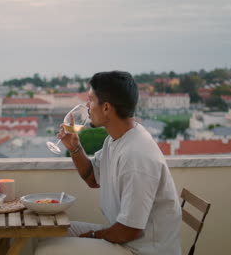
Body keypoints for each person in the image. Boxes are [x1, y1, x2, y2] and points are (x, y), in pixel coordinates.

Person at [36, 71, 182, 255]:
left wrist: (93, 236)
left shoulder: (136, 156)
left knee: (48, 251)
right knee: (46, 233)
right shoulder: (115, 140)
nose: (86, 107)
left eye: (90, 101)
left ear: (106, 108)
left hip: (141, 249)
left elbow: (131, 229)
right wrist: (75, 148)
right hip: (127, 238)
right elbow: (92, 178)